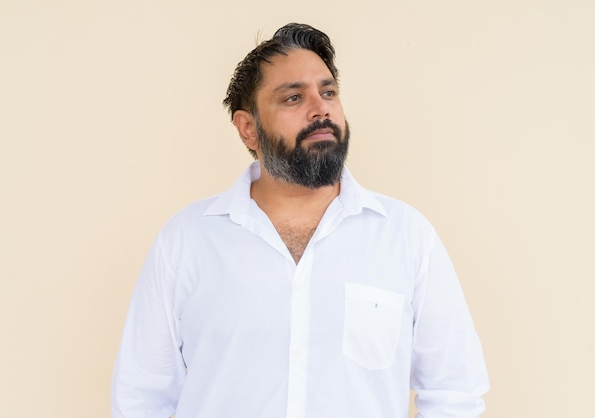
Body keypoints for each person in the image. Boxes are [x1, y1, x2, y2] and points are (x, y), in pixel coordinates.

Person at [111, 23, 489, 418]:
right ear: (248, 128)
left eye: (328, 92)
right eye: (293, 97)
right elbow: (143, 398)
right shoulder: (187, 240)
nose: (320, 108)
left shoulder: (406, 237)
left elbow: (454, 392)